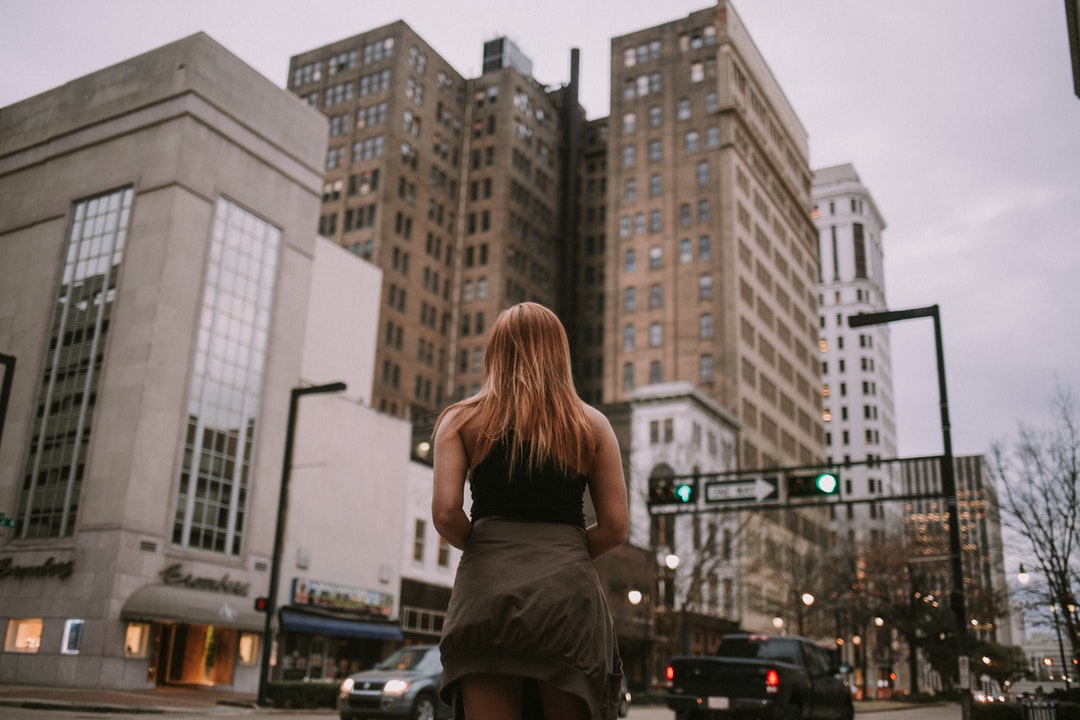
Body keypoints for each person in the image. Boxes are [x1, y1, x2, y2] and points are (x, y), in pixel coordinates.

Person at [432, 301, 629, 720]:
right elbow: (615, 528)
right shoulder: (592, 424)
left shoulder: (459, 420)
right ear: (560, 353)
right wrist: (564, 555)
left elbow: (446, 512)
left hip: (485, 595)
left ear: (494, 352)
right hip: (566, 599)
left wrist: (491, 549)